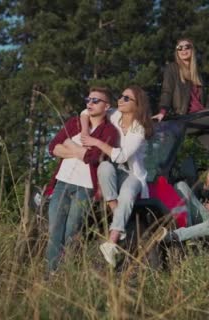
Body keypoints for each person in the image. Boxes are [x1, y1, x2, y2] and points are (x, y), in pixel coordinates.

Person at [45, 87, 119, 272]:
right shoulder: (74, 123)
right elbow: (53, 147)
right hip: (62, 183)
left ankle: (66, 273)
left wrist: (69, 145)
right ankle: (50, 274)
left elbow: (95, 157)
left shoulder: (110, 131)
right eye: (89, 99)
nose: (90, 103)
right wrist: (80, 151)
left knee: (72, 233)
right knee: (54, 229)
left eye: (96, 100)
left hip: (85, 188)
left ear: (107, 106)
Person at [80, 85, 154, 267]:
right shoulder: (113, 114)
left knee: (128, 194)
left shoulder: (139, 130)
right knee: (104, 166)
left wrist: (95, 141)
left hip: (133, 174)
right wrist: (84, 132)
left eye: (126, 98)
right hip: (115, 171)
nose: (120, 100)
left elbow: (122, 156)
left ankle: (112, 242)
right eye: (121, 96)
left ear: (137, 105)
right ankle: (118, 219)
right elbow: (85, 111)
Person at [152, 38, 205, 122]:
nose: (183, 50)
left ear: (192, 50)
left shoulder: (197, 74)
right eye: (179, 48)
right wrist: (163, 111)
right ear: (177, 52)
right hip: (185, 115)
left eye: (187, 47)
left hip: (202, 114)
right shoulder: (172, 68)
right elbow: (167, 91)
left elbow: (204, 99)